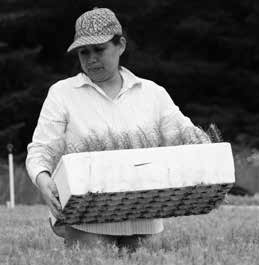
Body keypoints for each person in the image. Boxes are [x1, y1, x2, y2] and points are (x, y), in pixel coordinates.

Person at [26, 7, 210, 251]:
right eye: (84, 52)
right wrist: (42, 179)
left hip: (144, 219)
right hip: (86, 221)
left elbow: (186, 136)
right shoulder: (63, 94)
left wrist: (206, 149)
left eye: (99, 49)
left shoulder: (152, 93)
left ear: (120, 45)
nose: (91, 59)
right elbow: (40, 148)